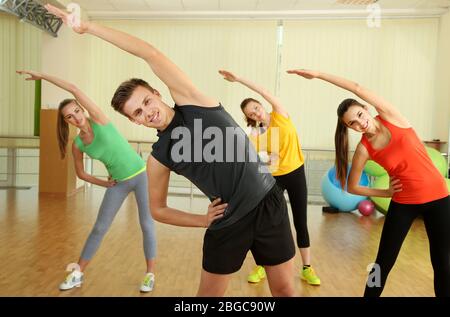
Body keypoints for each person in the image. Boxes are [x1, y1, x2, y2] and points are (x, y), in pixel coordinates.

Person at [44, 4, 297, 297]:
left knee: (284, 291)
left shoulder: (195, 103)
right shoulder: (158, 157)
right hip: (229, 221)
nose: (146, 112)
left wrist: (88, 28)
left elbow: (148, 53)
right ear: (133, 121)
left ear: (157, 93)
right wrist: (202, 220)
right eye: (137, 113)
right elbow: (157, 209)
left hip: (269, 203)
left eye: (146, 102)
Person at [288, 68, 450, 297]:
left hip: (439, 198)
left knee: (443, 262)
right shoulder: (364, 149)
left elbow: (357, 88)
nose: (360, 123)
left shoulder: (392, 117)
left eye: (360, 115)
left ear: (366, 109)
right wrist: (385, 192)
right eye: (352, 123)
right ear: (349, 127)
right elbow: (353, 186)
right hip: (404, 203)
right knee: (382, 263)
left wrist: (318, 75)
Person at [17, 70, 157, 293]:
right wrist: (104, 184)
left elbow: (73, 88)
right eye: (69, 116)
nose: (76, 116)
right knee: (99, 228)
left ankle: (149, 274)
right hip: (118, 183)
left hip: (141, 175)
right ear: (66, 121)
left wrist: (43, 76)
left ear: (81, 109)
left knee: (146, 224)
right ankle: (78, 273)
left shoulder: (100, 119)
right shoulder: (78, 145)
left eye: (76, 110)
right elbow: (81, 174)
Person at [219, 70, 321, 286]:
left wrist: (239, 78)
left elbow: (264, 91)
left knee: (300, 221)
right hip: (273, 180)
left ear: (261, 105)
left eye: (256, 107)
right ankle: (262, 266)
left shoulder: (280, 115)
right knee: (267, 223)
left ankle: (307, 268)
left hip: (295, 172)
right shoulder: (254, 134)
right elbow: (255, 162)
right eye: (250, 113)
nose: (255, 113)